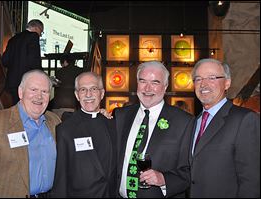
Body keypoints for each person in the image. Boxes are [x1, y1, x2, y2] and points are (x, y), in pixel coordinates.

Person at [159, 58, 260, 198]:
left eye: (212, 78)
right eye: (198, 79)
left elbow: (252, 181)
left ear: (227, 83)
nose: (203, 84)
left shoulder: (244, 119)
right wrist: (163, 179)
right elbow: (192, 170)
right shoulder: (195, 122)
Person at [0, 69, 61, 198]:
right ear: (21, 92)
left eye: (44, 91)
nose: (39, 96)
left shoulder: (54, 121)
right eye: (33, 90)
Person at [114, 61, 195, 198]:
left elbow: (190, 170)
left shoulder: (184, 121)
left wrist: (164, 179)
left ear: (165, 86)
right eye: (143, 81)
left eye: (155, 82)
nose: (147, 88)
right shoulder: (120, 115)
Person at [50, 72, 117, 198]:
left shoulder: (114, 125)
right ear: (76, 95)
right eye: (83, 90)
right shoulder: (65, 130)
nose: (88, 94)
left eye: (93, 89)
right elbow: (61, 178)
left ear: (102, 93)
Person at [2, 19, 44, 105]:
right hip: (26, 82)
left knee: (16, 108)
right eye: (41, 32)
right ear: (37, 28)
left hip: (12, 82)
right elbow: (34, 60)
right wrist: (41, 75)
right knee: (27, 108)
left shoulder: (13, 39)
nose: (40, 35)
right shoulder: (33, 36)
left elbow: (4, 61)